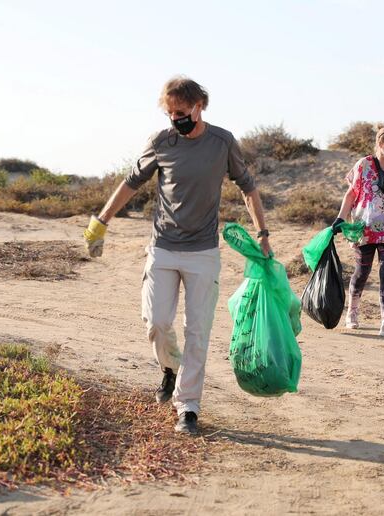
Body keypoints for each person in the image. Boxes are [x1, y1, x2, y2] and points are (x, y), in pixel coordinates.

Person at [83, 76, 271, 435]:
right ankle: (169, 366)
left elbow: (247, 187)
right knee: (157, 323)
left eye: (181, 112)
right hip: (163, 247)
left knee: (197, 331)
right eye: (170, 113)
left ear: (200, 105)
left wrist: (262, 232)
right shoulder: (161, 142)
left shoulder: (222, 142)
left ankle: (188, 408)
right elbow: (131, 182)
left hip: (203, 252)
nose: (176, 119)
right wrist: (102, 220)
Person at [333, 126, 384, 338]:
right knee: (362, 272)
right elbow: (351, 194)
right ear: (380, 144)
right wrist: (340, 219)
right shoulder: (364, 164)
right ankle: (352, 313)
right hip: (365, 228)